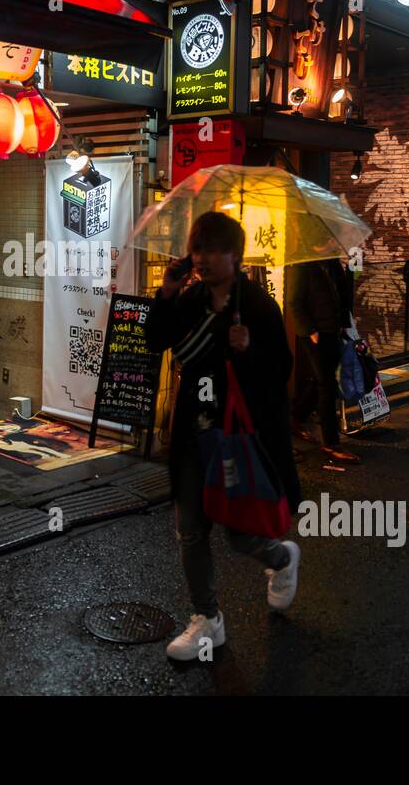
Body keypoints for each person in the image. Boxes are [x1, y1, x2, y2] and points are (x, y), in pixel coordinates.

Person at [145, 211, 302, 662]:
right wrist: (167, 293)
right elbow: (157, 340)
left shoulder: (256, 306)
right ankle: (207, 620)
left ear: (235, 255)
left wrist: (248, 351)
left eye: (213, 249)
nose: (203, 258)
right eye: (198, 249)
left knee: (239, 534)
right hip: (194, 433)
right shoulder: (191, 298)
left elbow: (280, 374)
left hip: (235, 437)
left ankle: (282, 558)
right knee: (190, 531)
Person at [286, 257, 360, 464]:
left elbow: (341, 292)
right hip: (315, 334)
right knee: (327, 383)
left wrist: (344, 322)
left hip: (333, 329)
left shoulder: (331, 262)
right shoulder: (300, 264)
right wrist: (310, 331)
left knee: (326, 380)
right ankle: (331, 443)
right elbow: (294, 301)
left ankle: (297, 418)